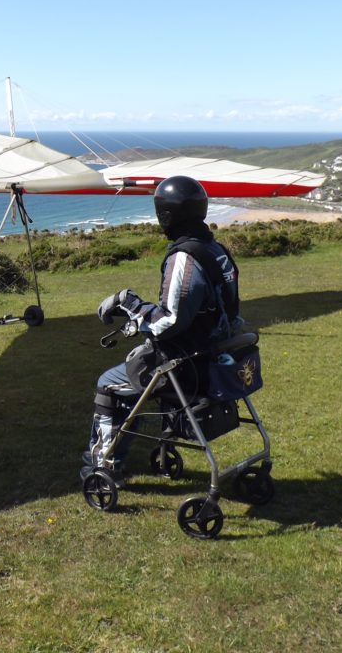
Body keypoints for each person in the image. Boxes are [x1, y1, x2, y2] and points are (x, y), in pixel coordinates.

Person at [83, 176, 243, 484]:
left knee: (109, 384)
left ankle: (103, 466)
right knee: (134, 372)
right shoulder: (215, 249)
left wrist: (127, 303)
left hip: (187, 363)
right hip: (216, 354)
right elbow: (230, 308)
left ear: (166, 215)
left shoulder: (185, 256)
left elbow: (170, 320)